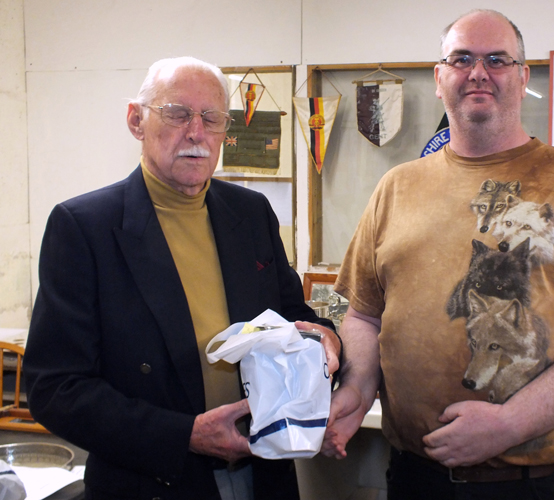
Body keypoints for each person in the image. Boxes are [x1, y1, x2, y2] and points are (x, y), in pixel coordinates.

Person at [322, 9, 554, 500]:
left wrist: (509, 423)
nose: (478, 72)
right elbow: (365, 317)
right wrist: (355, 389)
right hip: (416, 478)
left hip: (533, 483)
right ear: (440, 79)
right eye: (461, 59)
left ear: (523, 78)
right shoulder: (396, 186)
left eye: (497, 59)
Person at [24, 56, 340, 500]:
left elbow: (292, 315)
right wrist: (183, 434)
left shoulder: (249, 215)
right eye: (177, 114)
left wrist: (326, 338)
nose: (196, 133)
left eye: (212, 119)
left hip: (263, 472)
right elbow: (54, 387)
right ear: (136, 120)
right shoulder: (84, 227)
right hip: (154, 478)